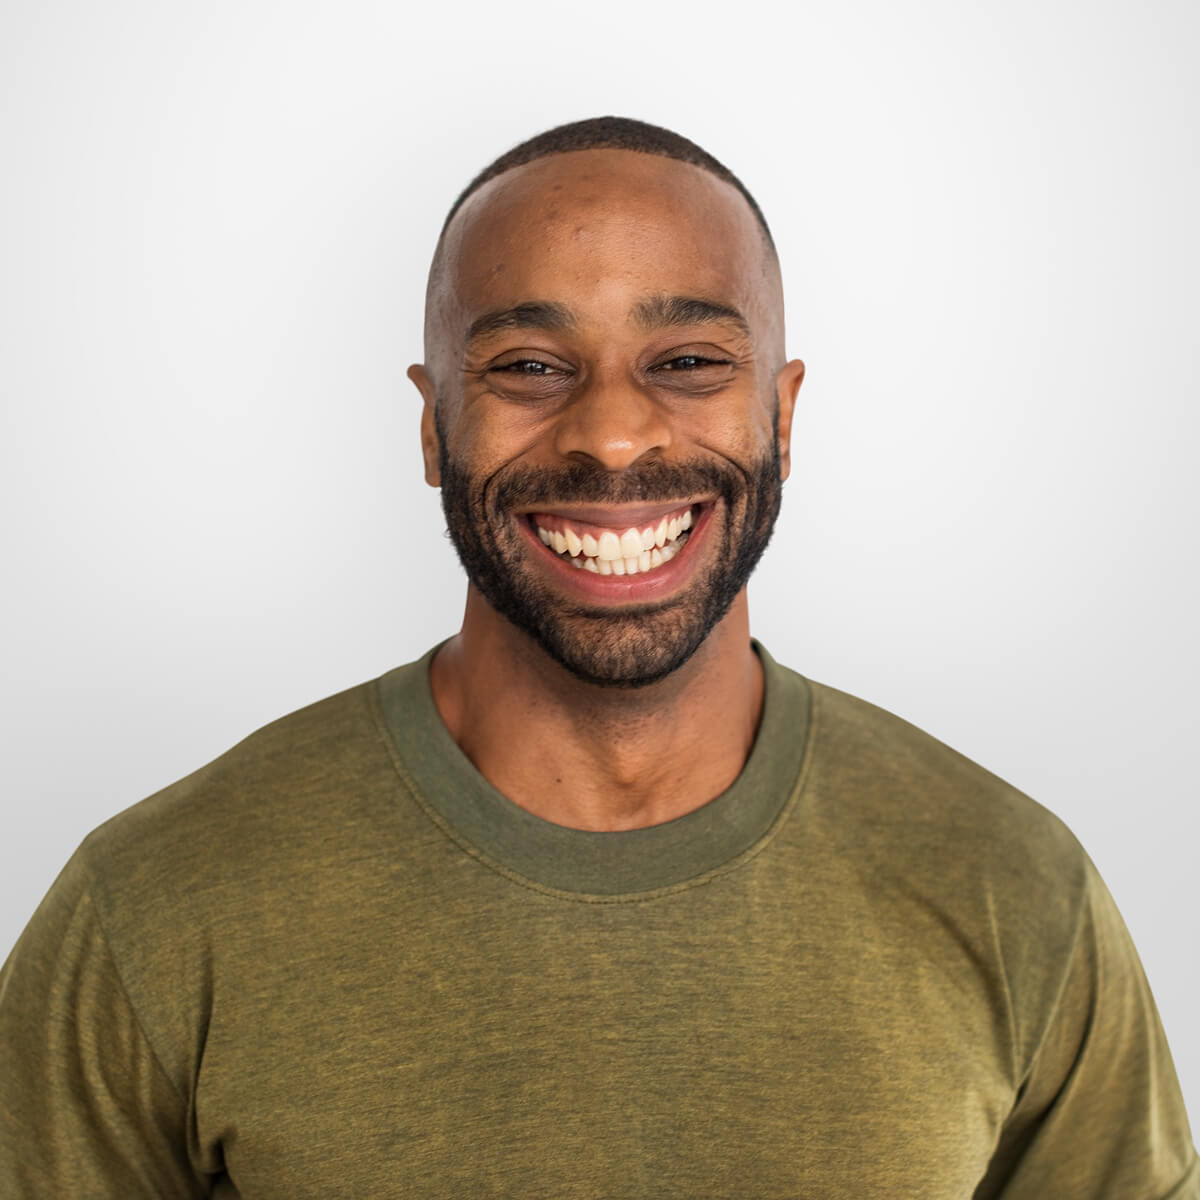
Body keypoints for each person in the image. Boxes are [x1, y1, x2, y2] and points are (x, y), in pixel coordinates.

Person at [0, 116, 1194, 1198]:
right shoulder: (155, 906)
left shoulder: (1012, 886)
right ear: (433, 424)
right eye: (530, 367)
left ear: (782, 417)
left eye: (688, 363)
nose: (614, 436)